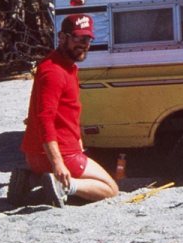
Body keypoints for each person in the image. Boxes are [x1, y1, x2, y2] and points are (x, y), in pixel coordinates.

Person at [19, 14, 119, 207]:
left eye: (87, 39)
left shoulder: (56, 65)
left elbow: (45, 111)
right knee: (110, 189)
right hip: (59, 155)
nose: (83, 44)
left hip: (34, 158)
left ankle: (31, 179)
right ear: (62, 37)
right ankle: (65, 185)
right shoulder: (54, 71)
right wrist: (58, 164)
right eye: (78, 38)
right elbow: (45, 119)